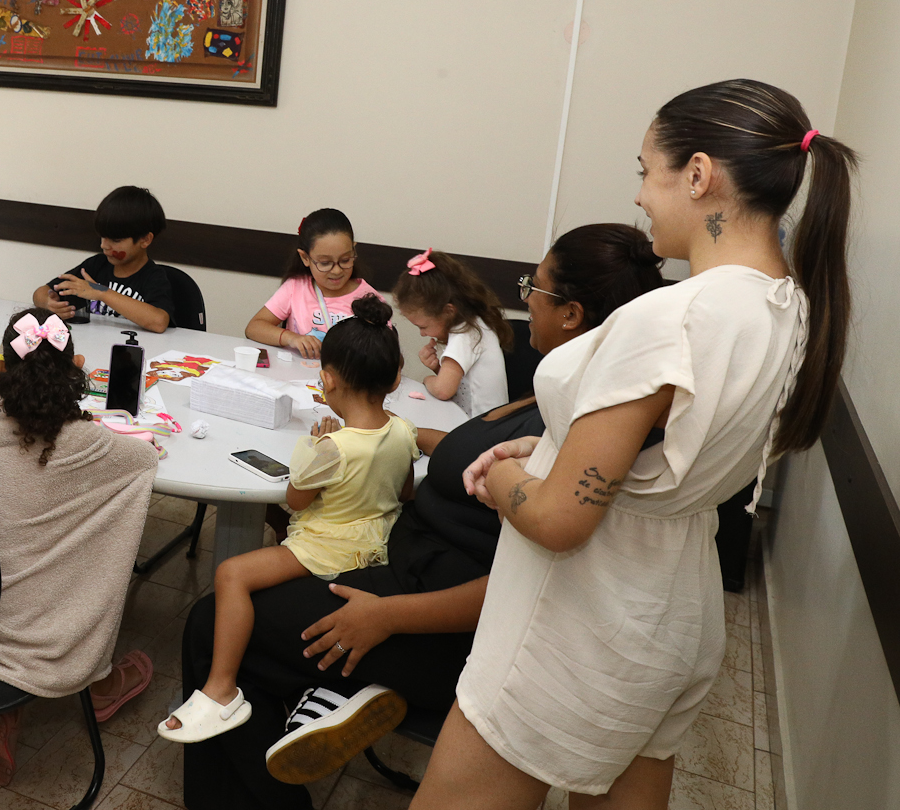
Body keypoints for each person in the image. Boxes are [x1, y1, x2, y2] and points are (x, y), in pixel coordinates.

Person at [414, 80, 855, 809]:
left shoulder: (670, 318)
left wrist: (502, 481)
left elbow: (560, 520)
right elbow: (668, 456)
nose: (641, 195)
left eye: (646, 171)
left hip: (578, 618)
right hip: (672, 611)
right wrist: (549, 455)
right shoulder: (789, 308)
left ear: (698, 174)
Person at [178, 223, 666, 808]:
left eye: (532, 288)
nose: (525, 300)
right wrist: (385, 437)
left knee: (212, 622)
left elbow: (532, 581)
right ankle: (322, 701)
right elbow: (453, 447)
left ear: (571, 314)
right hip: (403, 566)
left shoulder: (593, 431)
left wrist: (386, 616)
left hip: (432, 624)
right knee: (244, 610)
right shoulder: (552, 391)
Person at [0, 306, 157, 786]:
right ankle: (100, 681)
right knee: (94, 528)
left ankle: (7, 708)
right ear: (77, 368)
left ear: (1, 367)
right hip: (39, 629)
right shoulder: (86, 442)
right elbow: (143, 459)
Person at [161, 297, 414, 743]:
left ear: (327, 380)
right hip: (379, 542)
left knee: (231, 574)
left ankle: (221, 688)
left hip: (327, 549)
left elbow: (296, 501)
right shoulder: (402, 431)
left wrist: (317, 450)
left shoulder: (330, 448)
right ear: (395, 378)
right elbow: (405, 491)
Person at [33, 186, 176, 333]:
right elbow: (40, 292)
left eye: (115, 240)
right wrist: (49, 303)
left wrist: (102, 292)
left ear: (145, 239)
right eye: (102, 237)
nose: (104, 245)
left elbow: (159, 322)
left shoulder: (154, 277)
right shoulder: (96, 265)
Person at [245, 209, 382, 361]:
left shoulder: (369, 298)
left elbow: (388, 353)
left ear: (353, 250)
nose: (336, 270)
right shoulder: (295, 288)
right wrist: (292, 338)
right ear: (305, 258)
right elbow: (254, 328)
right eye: (325, 263)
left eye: (345, 260)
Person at [394, 249, 512, 418]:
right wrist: (437, 368)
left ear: (448, 311)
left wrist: (427, 380)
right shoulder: (474, 325)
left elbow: (443, 390)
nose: (422, 334)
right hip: (487, 422)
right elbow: (462, 387)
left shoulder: (465, 335)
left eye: (423, 326)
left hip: (481, 427)